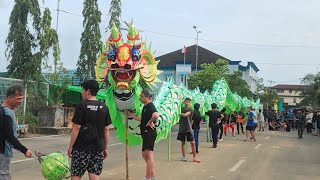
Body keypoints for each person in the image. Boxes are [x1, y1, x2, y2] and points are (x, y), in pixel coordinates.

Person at [68, 80, 112, 180]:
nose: (81, 92)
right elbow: (106, 130)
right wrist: (105, 148)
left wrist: (71, 146)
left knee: (76, 174)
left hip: (81, 147)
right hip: (98, 148)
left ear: (88, 91)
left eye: (82, 90)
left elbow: (76, 127)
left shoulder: (81, 106)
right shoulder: (104, 107)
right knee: (94, 174)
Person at [0, 85, 33, 180]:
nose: (20, 102)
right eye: (18, 99)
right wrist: (24, 150)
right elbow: (9, 136)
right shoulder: (6, 113)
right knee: (4, 175)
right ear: (10, 98)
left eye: (21, 99)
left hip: (4, 150)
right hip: (2, 152)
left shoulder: (7, 111)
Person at [127, 89, 159, 180]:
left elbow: (156, 115)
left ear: (147, 97)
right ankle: (152, 176)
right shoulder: (145, 107)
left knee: (148, 155)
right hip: (145, 133)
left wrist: (150, 122)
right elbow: (142, 119)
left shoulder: (150, 106)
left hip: (149, 133)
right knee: (144, 154)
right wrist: (131, 115)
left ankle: (147, 177)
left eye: (141, 96)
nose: (140, 98)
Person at [176, 98, 200, 163]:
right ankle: (183, 156)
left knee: (192, 142)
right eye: (186, 102)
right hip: (182, 128)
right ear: (184, 102)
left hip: (189, 128)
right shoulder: (181, 108)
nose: (187, 103)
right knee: (183, 143)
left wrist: (179, 113)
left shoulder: (191, 110)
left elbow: (185, 115)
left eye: (189, 102)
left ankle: (194, 157)